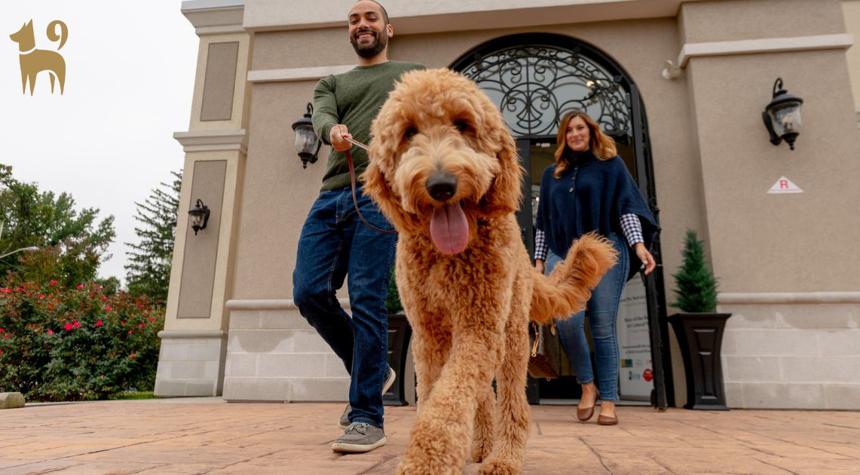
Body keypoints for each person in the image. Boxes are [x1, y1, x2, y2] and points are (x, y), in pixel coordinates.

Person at [291, 0, 423, 454]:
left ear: (389, 28)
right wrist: (331, 131)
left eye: (370, 18)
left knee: (367, 298)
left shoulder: (412, 75)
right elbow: (322, 115)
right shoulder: (332, 83)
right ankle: (371, 368)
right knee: (308, 292)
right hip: (331, 196)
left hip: (380, 194)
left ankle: (367, 417)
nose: (361, 24)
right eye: (353, 20)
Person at [534, 110, 658, 426]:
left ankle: (609, 400)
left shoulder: (610, 166)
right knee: (567, 322)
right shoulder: (552, 174)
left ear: (591, 132)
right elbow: (543, 223)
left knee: (603, 325)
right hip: (564, 254)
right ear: (563, 137)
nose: (575, 134)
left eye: (580, 128)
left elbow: (626, 210)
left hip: (604, 250)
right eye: (569, 130)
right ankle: (587, 385)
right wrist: (539, 261)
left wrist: (638, 245)